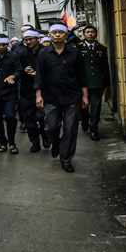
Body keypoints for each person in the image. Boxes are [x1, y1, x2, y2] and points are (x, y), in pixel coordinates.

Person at [35, 23, 89, 173]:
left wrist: (85, 96)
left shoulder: (75, 53)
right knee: (50, 127)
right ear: (50, 35)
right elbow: (40, 75)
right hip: (51, 97)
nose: (57, 35)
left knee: (70, 129)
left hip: (72, 97)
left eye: (60, 32)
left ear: (66, 36)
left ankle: (66, 159)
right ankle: (56, 143)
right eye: (54, 32)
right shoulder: (44, 53)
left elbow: (82, 75)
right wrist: (38, 95)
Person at [0, 34, 23, 154]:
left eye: (3, 45)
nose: (1, 47)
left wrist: (13, 76)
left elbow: (19, 70)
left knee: (10, 117)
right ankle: (2, 142)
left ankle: (12, 142)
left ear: (7, 45)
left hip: (10, 93)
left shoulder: (14, 56)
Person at [18, 30, 50, 152]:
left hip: (44, 90)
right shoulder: (22, 54)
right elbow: (16, 70)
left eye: (31, 39)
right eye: (26, 40)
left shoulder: (46, 52)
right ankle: (35, 142)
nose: (29, 42)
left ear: (37, 39)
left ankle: (45, 137)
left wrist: (40, 74)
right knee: (29, 119)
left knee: (43, 117)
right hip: (27, 90)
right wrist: (24, 71)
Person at [77, 25, 110, 141]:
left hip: (97, 82)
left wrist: (106, 83)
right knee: (84, 107)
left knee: (96, 108)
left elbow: (105, 67)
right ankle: (85, 120)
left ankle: (94, 130)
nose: (90, 34)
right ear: (84, 34)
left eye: (92, 32)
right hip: (83, 83)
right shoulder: (78, 47)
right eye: (87, 32)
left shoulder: (102, 48)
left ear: (96, 34)